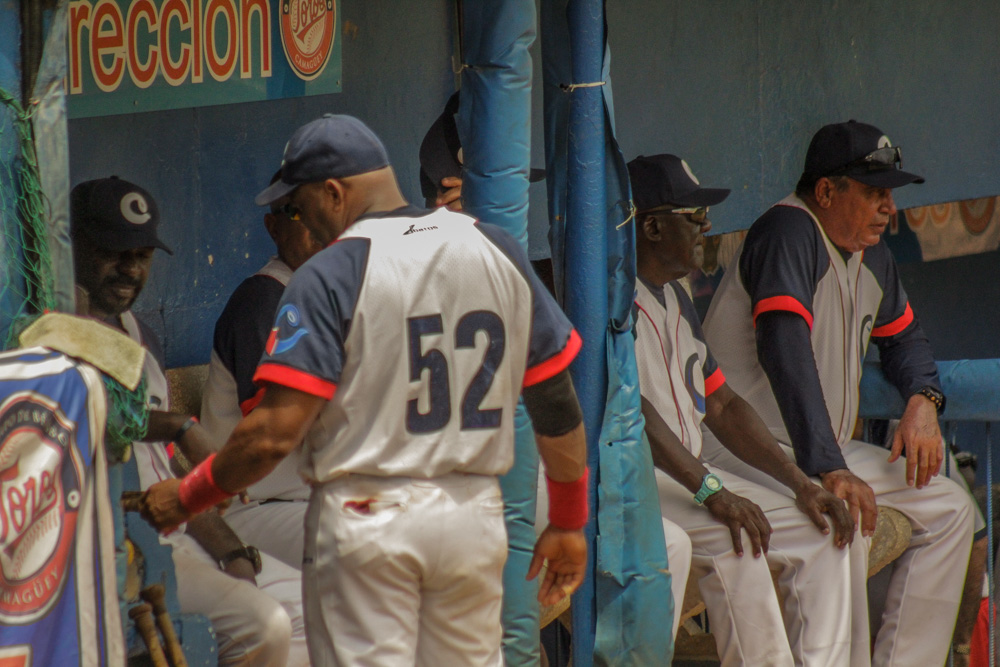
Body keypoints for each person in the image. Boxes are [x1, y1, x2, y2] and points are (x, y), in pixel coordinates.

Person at [139, 114, 590, 667]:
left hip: (369, 520)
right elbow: (554, 399)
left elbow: (272, 437)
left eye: (300, 206)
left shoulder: (330, 273)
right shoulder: (492, 246)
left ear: (334, 193)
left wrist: (186, 497)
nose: (300, 220)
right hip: (471, 516)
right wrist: (568, 520)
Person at [700, 121, 977, 666]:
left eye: (890, 194)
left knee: (949, 507)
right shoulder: (788, 232)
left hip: (816, 450)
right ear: (827, 191)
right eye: (874, 192)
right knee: (837, 524)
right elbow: (785, 349)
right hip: (745, 451)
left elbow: (906, 341)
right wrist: (829, 467)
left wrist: (923, 400)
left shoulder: (872, 255)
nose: (888, 208)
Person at [70, 176, 310, 666]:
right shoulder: (57, 330)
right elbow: (106, 419)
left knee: (310, 607)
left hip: (175, 531)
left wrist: (231, 551)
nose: (130, 268)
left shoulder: (143, 336)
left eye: (142, 254)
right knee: (264, 624)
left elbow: (166, 475)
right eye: (113, 251)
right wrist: (180, 425)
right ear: (74, 244)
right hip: (107, 548)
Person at [628, 154, 855, 665]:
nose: (707, 226)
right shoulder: (609, 301)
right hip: (640, 477)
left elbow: (723, 404)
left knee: (823, 534)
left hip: (687, 473)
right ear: (653, 227)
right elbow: (631, 412)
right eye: (693, 216)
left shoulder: (677, 299)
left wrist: (801, 484)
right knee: (740, 542)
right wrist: (711, 490)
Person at [200, 170, 323, 569]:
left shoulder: (336, 295)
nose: (316, 225)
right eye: (297, 213)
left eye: (322, 210)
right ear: (273, 226)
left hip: (309, 501)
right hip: (256, 507)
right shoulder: (265, 301)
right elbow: (284, 434)